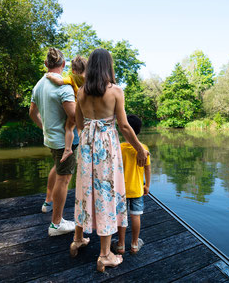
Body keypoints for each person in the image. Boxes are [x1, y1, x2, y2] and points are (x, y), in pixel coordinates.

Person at [70, 48, 149, 273]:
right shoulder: (115, 91)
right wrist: (140, 150)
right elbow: (124, 126)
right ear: (108, 66)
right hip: (106, 146)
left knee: (84, 191)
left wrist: (88, 138)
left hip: (86, 143)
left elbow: (78, 123)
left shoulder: (81, 92)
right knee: (105, 193)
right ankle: (104, 255)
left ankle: (77, 239)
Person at [29, 47, 78, 236]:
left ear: (45, 64)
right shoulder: (63, 87)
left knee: (57, 168)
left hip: (50, 139)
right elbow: (74, 116)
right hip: (64, 142)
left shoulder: (38, 85)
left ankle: (48, 202)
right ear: (63, 65)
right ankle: (56, 224)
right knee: (64, 179)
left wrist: (44, 128)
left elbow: (32, 113)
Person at [113, 114, 151, 255]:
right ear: (139, 130)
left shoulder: (118, 148)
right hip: (137, 189)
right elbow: (147, 168)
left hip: (120, 190)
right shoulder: (143, 148)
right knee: (136, 216)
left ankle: (121, 245)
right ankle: (134, 244)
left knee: (121, 217)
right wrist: (147, 185)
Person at [45, 55, 87, 163]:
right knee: (78, 126)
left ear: (73, 69)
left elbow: (59, 81)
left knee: (68, 127)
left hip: (77, 106)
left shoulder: (72, 77)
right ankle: (79, 143)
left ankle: (68, 149)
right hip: (87, 107)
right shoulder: (89, 79)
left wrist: (49, 76)